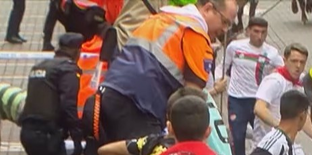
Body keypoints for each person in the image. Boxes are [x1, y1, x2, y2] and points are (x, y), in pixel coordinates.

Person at [98, 0, 235, 142]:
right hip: (141, 106)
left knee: (115, 154)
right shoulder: (195, 32)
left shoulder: (162, 18)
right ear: (208, 9)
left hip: (110, 93)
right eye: (225, 22)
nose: (225, 30)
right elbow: (191, 101)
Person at [219, 16, 283, 155]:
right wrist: (218, 81)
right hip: (237, 99)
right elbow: (223, 65)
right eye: (256, 31)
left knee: (263, 138)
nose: (259, 36)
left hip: (259, 101)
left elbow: (286, 71)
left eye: (263, 33)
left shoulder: (272, 53)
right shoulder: (234, 47)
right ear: (248, 31)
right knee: (237, 137)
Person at [255, 43, 312, 154]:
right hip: (267, 145)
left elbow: (303, 116)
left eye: (302, 62)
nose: (298, 66)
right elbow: (259, 109)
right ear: (284, 61)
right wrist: (281, 128)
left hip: (288, 144)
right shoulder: (274, 81)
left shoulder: (300, 81)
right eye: (294, 61)